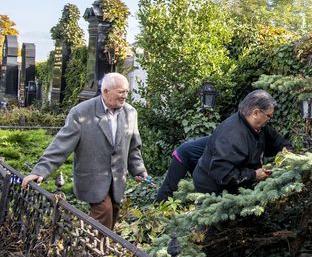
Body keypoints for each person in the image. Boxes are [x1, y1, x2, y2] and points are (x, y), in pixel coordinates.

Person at [21, 72, 147, 230]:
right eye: (121, 92)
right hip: (92, 178)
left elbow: (133, 146)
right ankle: (97, 253)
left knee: (112, 214)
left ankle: (94, 248)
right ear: (106, 91)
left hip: (117, 180)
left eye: (126, 92)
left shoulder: (130, 113)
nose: (124, 96)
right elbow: (61, 144)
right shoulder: (81, 113)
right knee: (104, 213)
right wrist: (40, 170)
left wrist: (138, 169)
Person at [192, 90, 292, 195]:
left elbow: (279, 143)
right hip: (213, 190)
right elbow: (223, 175)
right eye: (269, 116)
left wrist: (287, 154)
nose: (270, 119)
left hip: (240, 186)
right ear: (255, 113)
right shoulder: (232, 135)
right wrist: (254, 175)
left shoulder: (260, 127)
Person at [154, 136, 210, 202]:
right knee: (169, 188)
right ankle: (157, 208)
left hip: (196, 159)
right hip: (184, 154)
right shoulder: (221, 140)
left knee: (203, 191)